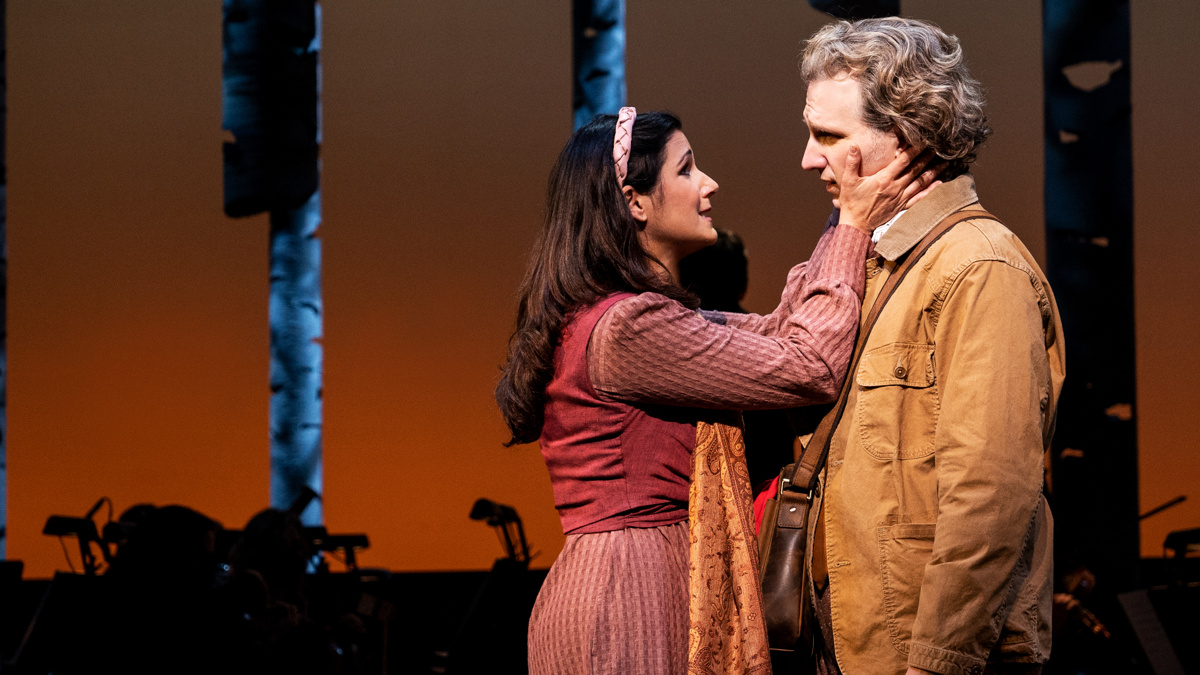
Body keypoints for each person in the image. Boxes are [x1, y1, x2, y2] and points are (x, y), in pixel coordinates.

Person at [495, 106, 936, 674]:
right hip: (628, 592)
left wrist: (846, 214)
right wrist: (851, 224)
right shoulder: (631, 330)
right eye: (686, 170)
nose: (709, 184)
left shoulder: (635, 319)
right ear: (634, 202)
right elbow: (810, 366)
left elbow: (784, 332)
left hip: (641, 573)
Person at [779, 17, 1066, 675]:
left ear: (904, 139)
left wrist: (936, 663)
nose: (807, 157)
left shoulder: (979, 266)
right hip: (849, 641)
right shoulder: (870, 260)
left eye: (828, 136)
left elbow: (987, 501)